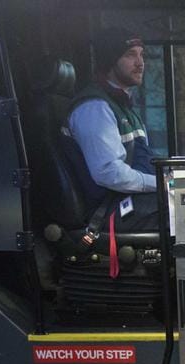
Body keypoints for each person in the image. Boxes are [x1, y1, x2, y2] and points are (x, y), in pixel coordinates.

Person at [65, 26, 158, 233]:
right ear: (110, 60)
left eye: (141, 55)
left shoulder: (123, 106)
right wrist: (162, 183)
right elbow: (108, 173)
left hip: (129, 199)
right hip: (109, 210)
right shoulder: (94, 108)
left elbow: (141, 161)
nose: (140, 63)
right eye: (130, 55)